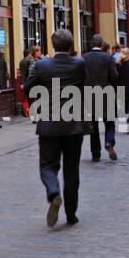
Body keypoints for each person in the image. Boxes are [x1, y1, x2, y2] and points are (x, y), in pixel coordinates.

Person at [25, 29, 87, 228]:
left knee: (47, 166)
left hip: (49, 123)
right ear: (70, 46)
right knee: (72, 170)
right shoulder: (79, 64)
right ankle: (71, 214)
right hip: (74, 124)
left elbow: (28, 88)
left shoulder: (42, 65)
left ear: (53, 46)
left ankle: (54, 193)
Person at [81, 34, 119, 162]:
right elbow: (114, 76)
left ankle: (95, 154)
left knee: (93, 126)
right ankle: (109, 142)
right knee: (109, 122)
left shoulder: (84, 58)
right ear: (102, 45)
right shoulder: (107, 58)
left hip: (90, 95)